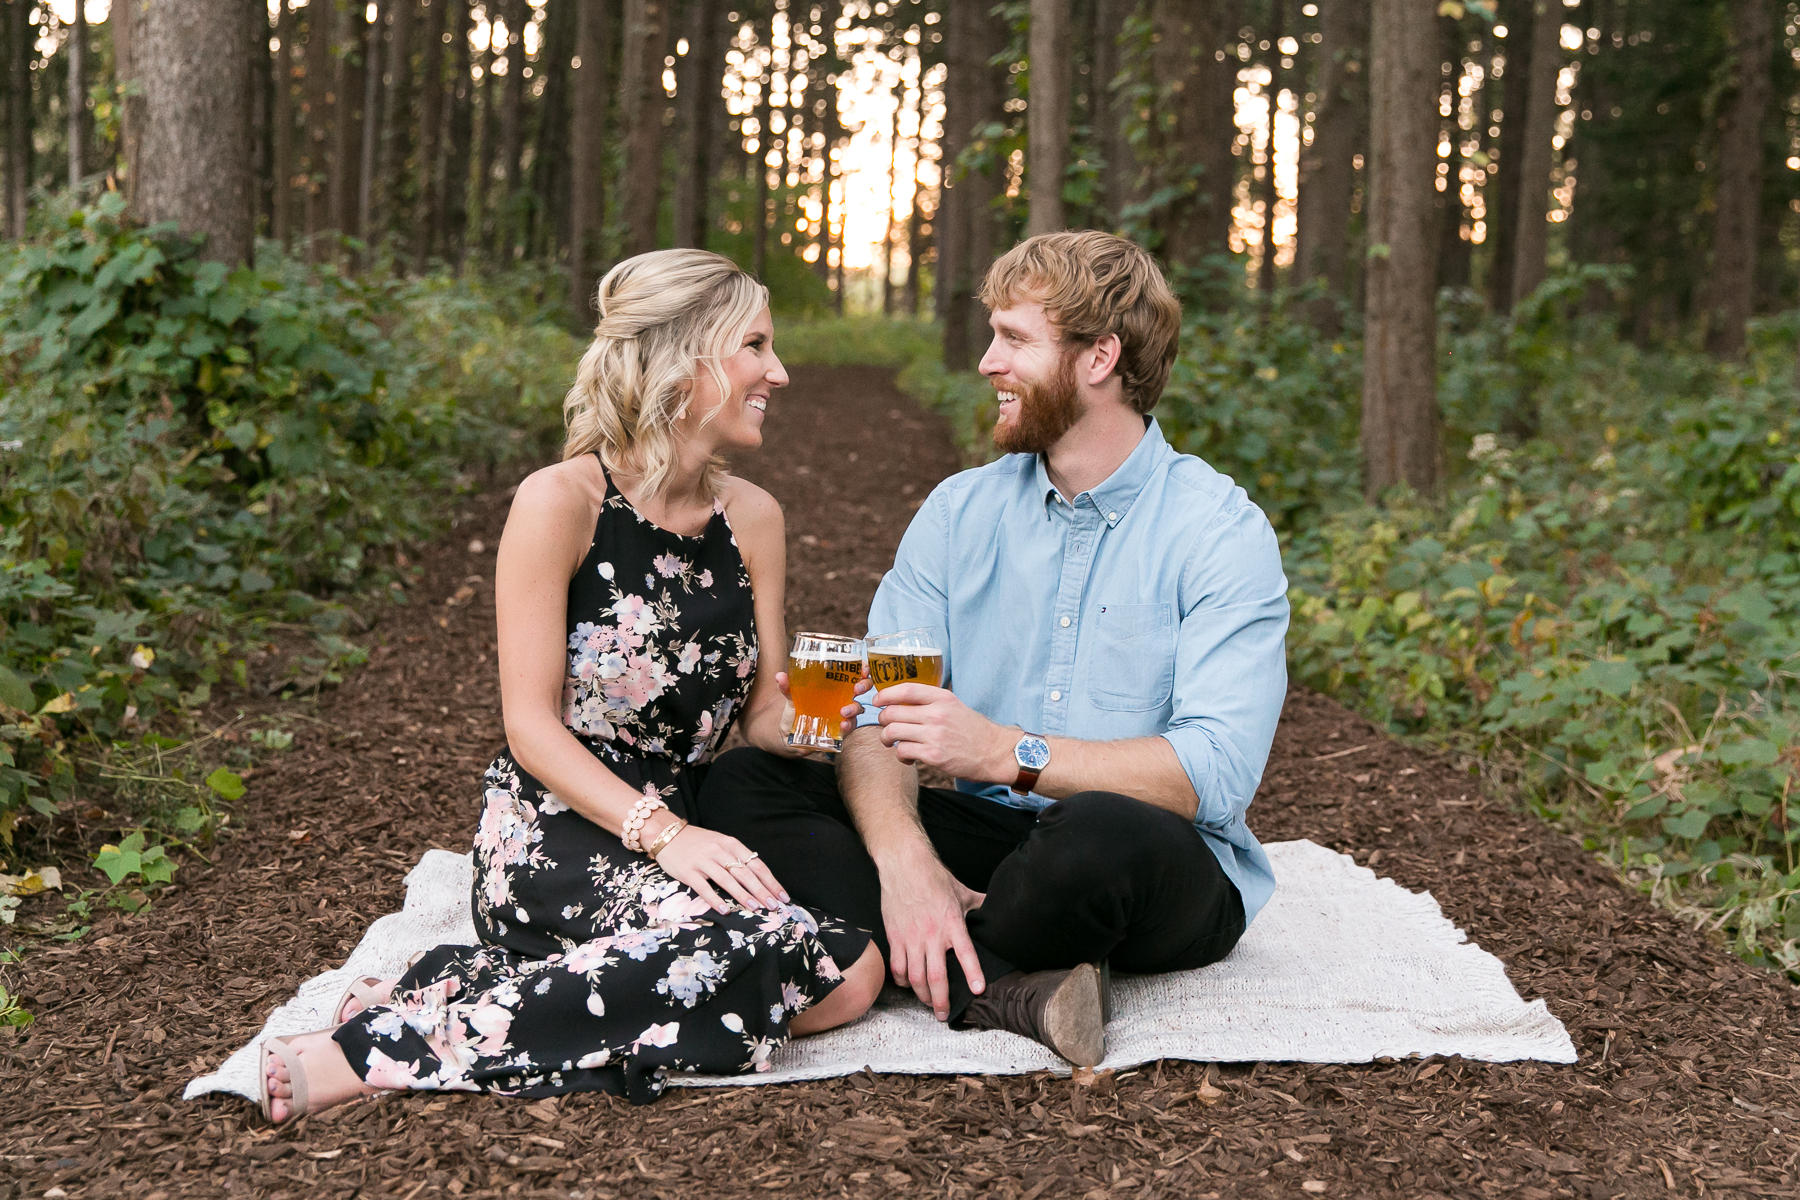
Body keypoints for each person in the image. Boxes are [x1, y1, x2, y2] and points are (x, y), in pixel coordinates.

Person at [260, 249, 884, 1122]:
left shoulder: (756, 518)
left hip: (690, 827)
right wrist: (663, 836)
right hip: (559, 827)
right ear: (684, 355)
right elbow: (530, 726)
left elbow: (763, 714)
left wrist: (844, 712)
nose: (778, 372)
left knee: (850, 969)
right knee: (769, 949)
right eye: (755, 346)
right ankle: (374, 1052)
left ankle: (454, 986)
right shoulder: (562, 502)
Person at [696, 230, 1289, 1067]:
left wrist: (1001, 749)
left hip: (1145, 857)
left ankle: (905, 947)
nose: (986, 362)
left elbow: (1213, 774)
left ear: (1099, 358)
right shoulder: (958, 512)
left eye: (1014, 339)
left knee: (1094, 837)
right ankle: (1002, 979)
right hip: (986, 839)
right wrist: (906, 862)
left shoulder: (1220, 531)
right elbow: (876, 713)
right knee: (743, 782)